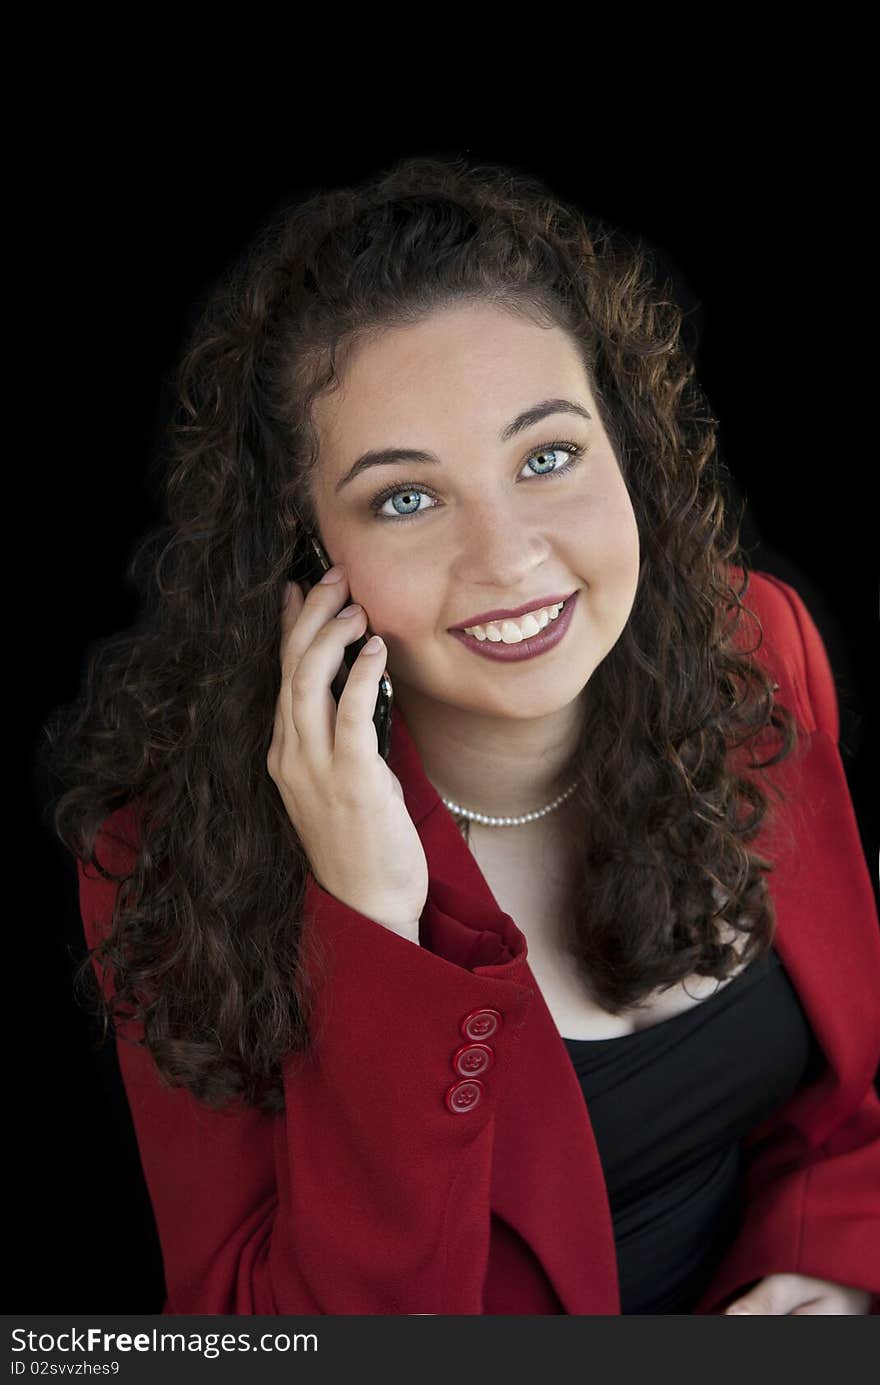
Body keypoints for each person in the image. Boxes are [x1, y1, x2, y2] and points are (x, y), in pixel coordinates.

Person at [43, 154, 879, 1315]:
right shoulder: (178, 858)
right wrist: (370, 927)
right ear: (307, 545)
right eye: (405, 495)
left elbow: (847, 1101)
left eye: (546, 456)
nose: (507, 557)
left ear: (622, 445)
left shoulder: (759, 650)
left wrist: (823, 1267)